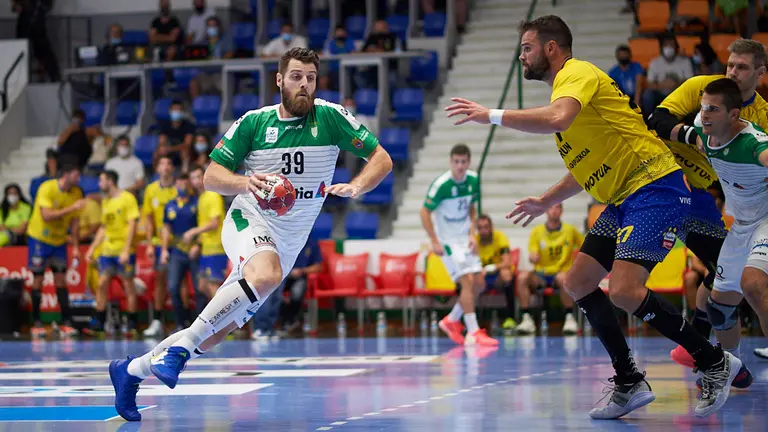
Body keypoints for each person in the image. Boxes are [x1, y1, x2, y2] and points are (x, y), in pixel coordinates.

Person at [444, 15, 740, 418]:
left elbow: (555, 118)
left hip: (654, 185)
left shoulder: (576, 74)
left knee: (623, 289)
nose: (521, 56)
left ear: (551, 49)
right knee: (579, 281)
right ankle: (629, 379)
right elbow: (585, 169)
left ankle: (712, 360)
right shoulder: (570, 98)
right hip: (622, 197)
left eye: (527, 47)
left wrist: (491, 115)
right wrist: (544, 201)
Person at [109, 47, 393, 422]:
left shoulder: (331, 118)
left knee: (214, 332)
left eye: (310, 77)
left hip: (288, 245)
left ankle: (130, 372)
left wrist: (357, 185)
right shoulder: (254, 123)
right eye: (296, 76)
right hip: (249, 221)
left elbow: (382, 159)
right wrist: (246, 182)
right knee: (265, 276)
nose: (304, 84)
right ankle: (179, 353)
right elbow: (211, 177)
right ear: (279, 80)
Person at [646, 38, 768, 374]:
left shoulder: (761, 119)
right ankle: (719, 360)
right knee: (722, 282)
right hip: (671, 184)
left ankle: (706, 350)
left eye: (741, 68)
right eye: (729, 64)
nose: (731, 72)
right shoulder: (704, 89)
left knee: (734, 278)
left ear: (759, 73)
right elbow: (656, 118)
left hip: (712, 197)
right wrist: (694, 138)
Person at [693, 78, 768, 376]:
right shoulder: (702, 127)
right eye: (703, 107)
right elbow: (675, 128)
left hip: (766, 219)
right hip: (741, 226)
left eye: (713, 109)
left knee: (753, 284)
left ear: (733, 114)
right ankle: (731, 368)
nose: (705, 114)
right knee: (718, 308)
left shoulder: (753, 143)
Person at [420, 144, 498, 347]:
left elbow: (472, 208)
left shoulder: (473, 180)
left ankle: (452, 320)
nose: (460, 166)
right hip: (448, 242)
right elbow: (424, 212)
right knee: (466, 282)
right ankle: (473, 332)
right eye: (456, 162)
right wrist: (434, 241)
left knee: (479, 283)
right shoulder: (441, 185)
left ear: (469, 162)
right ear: (450, 162)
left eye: (464, 162)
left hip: (465, 239)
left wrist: (472, 234)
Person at [25, 156, 85, 338]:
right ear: (66, 174)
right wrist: (71, 207)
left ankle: (66, 322)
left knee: (61, 280)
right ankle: (36, 323)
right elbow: (47, 215)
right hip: (39, 240)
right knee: (38, 280)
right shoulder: (48, 188)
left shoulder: (76, 193)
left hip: (59, 243)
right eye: (76, 175)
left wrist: (75, 246)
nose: (79, 179)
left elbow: (74, 221)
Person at [84, 170, 140, 336]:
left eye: (101, 180)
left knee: (128, 286)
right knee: (101, 284)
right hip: (108, 251)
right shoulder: (106, 201)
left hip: (124, 251)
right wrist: (92, 248)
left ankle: (131, 323)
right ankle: (99, 322)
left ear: (110, 181)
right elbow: (103, 227)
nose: (99, 184)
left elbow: (132, 225)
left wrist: (126, 250)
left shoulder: (127, 198)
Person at [515, 203, 582, 335]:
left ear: (561, 211)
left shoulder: (570, 230)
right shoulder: (537, 231)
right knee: (522, 277)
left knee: (564, 278)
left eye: (558, 208)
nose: (554, 211)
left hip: (560, 273)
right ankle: (526, 318)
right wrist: (532, 257)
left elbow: (586, 246)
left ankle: (569, 317)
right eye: (551, 207)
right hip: (541, 273)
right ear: (546, 211)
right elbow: (533, 254)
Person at [160, 173, 205, 331]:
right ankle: (181, 323)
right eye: (179, 183)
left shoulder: (197, 202)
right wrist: (164, 250)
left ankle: (200, 325)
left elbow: (203, 224)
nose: (182, 187)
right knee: (173, 287)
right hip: (177, 251)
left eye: (185, 184)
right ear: (175, 185)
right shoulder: (170, 205)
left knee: (200, 288)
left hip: (194, 250)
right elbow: (166, 228)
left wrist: (198, 245)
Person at [142, 156, 178, 338]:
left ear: (172, 168)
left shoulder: (177, 189)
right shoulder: (151, 190)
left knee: (180, 283)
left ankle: (182, 321)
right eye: (162, 163)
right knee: (160, 280)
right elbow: (148, 220)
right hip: (158, 244)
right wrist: (149, 244)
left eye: (169, 163)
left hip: (178, 242)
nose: (166, 166)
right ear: (157, 168)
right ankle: (157, 320)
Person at [475, 214, 518, 332]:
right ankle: (471, 322)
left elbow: (507, 262)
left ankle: (510, 318)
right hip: (482, 277)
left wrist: (491, 267)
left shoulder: (500, 237)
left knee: (506, 274)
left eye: (486, 227)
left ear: (491, 227)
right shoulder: (474, 241)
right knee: (467, 280)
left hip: (496, 275)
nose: (483, 230)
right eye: (480, 228)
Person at [188, 165, 225, 302]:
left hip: (216, 247)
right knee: (202, 286)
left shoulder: (212, 195)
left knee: (212, 285)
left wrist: (193, 232)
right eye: (193, 178)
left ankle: (226, 320)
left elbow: (214, 223)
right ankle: (222, 315)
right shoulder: (201, 197)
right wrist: (198, 244)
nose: (196, 181)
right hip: (206, 248)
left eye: (198, 176)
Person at [277, 236, 323, 335]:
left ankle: (289, 321)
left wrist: (302, 271)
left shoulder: (312, 243)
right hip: (282, 276)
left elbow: (318, 267)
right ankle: (286, 321)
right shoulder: (283, 241)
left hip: (300, 276)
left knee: (297, 294)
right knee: (274, 296)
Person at [156, 100, 195, 170]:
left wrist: (170, 149)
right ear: (170, 111)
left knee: (185, 152)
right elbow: (162, 141)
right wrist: (163, 148)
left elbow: (187, 144)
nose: (176, 112)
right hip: (169, 150)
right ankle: (157, 173)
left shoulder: (189, 125)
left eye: (179, 110)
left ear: (182, 112)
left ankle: (184, 173)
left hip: (181, 151)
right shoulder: (165, 125)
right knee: (157, 152)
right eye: (174, 110)